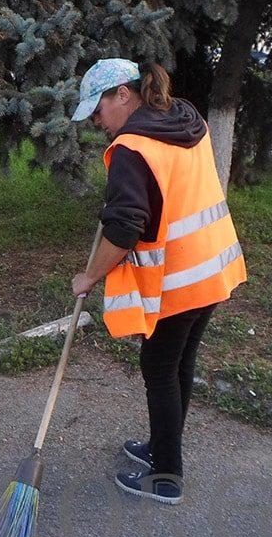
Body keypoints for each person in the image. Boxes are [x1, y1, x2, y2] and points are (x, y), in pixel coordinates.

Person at [69, 58, 247, 505]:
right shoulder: (185, 118)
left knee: (159, 368)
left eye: (98, 108)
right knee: (178, 364)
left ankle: (166, 476)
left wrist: (90, 275)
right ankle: (162, 449)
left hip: (178, 279)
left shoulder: (133, 147)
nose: (96, 120)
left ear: (124, 95)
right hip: (213, 266)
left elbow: (126, 229)